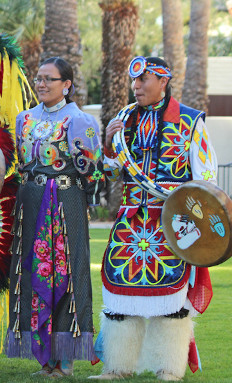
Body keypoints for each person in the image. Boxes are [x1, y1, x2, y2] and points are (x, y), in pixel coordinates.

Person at [89, 56, 217, 381]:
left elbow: (205, 176)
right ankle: (117, 367)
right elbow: (110, 172)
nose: (136, 87)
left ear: (163, 81)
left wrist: (196, 218)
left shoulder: (189, 120)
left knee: (171, 299)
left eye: (143, 80)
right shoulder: (125, 120)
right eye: (134, 81)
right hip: (131, 223)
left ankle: (169, 368)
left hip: (172, 224)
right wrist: (108, 144)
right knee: (120, 294)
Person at [5, 57, 104, 377]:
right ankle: (45, 359)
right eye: (38, 78)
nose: (41, 83)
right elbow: (20, 163)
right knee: (32, 272)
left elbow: (94, 170)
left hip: (66, 202)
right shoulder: (24, 119)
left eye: (49, 78)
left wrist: (85, 201)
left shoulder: (80, 121)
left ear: (67, 84)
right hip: (30, 201)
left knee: (67, 270)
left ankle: (66, 360)